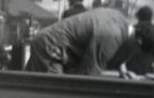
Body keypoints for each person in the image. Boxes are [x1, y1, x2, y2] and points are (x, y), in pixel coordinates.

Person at [24, 7, 154, 77]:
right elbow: (87, 79)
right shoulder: (110, 37)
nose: (134, 54)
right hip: (50, 48)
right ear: (139, 41)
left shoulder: (121, 20)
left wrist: (122, 69)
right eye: (139, 51)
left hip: (52, 45)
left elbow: (121, 47)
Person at [126, 6, 154, 77]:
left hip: (132, 67)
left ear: (138, 17)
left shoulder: (132, 29)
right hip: (149, 68)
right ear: (151, 17)